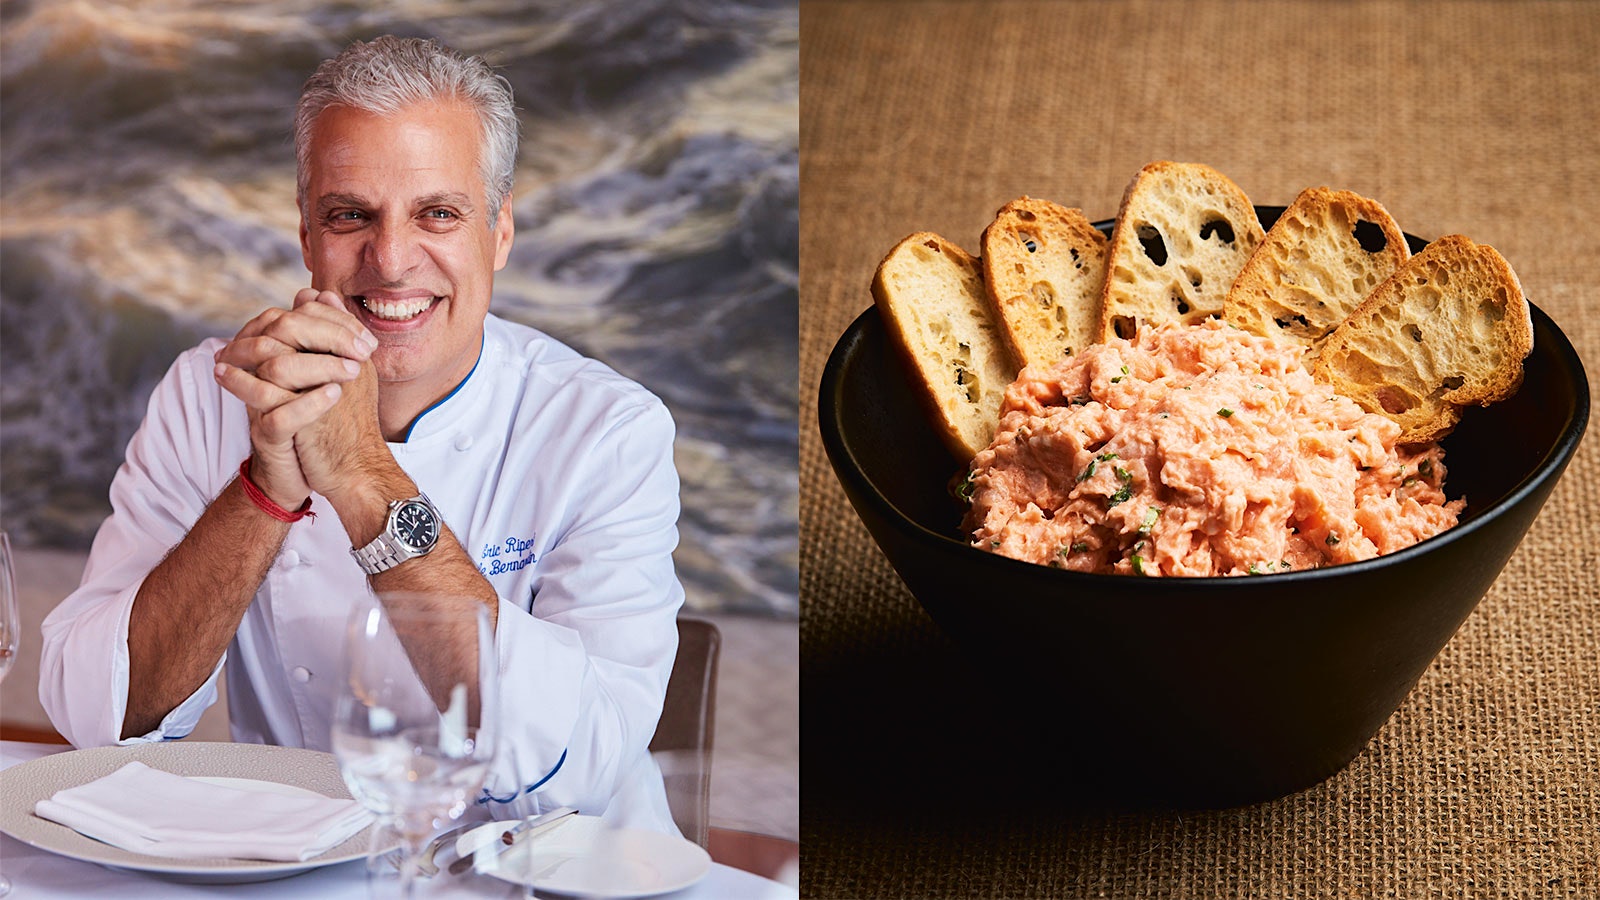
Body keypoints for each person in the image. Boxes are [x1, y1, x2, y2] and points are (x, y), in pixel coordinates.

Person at [38, 36, 685, 834]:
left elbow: (581, 766)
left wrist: (362, 476)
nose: (392, 260)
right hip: (300, 869)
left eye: (437, 214)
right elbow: (98, 719)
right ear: (307, 236)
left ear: (501, 231)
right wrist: (264, 491)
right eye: (351, 216)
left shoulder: (605, 431)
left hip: (542, 878)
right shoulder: (211, 395)